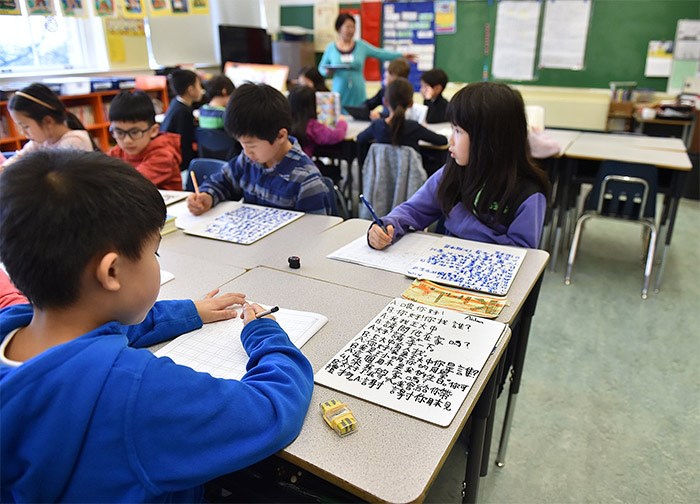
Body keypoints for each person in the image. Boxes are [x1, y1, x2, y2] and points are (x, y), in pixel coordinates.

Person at [0, 150, 314, 501]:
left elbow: (106, 331)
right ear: (112, 272)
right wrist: (266, 335)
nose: (155, 261)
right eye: (155, 253)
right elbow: (271, 411)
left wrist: (190, 311)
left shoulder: (17, 328)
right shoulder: (134, 392)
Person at [368, 82, 550, 251]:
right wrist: (388, 225)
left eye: (458, 131)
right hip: (443, 277)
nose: (451, 140)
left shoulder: (527, 196)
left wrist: (459, 217)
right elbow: (414, 210)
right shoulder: (452, 173)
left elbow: (523, 257)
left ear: (489, 140)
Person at [187, 83, 333, 216]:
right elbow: (224, 181)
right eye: (242, 144)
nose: (246, 152)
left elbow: (317, 232)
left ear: (280, 136)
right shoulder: (248, 161)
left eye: (251, 146)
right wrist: (208, 196)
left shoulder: (305, 181)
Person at [319, 13, 416, 109]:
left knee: (360, 113)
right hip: (339, 90)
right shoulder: (331, 48)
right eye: (348, 27)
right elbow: (321, 68)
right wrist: (326, 71)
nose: (351, 30)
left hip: (358, 91)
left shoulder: (361, 46)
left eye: (353, 27)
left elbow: (380, 53)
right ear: (339, 28)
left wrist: (401, 55)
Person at [356, 77, 448, 168]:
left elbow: (360, 138)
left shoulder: (377, 126)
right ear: (411, 103)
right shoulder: (414, 127)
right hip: (410, 180)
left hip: (380, 179)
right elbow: (442, 141)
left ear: (385, 102)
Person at [1, 83, 94, 169]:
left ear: (48, 121)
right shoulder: (42, 141)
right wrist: (4, 168)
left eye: (25, 126)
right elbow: (20, 157)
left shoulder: (75, 141)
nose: (23, 132)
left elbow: (59, 177)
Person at [107, 91, 183, 190]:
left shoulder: (163, 155)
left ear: (153, 130)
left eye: (135, 132)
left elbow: (131, 184)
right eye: (119, 133)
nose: (127, 141)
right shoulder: (118, 151)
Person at [288, 85, 348, 185]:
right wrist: (342, 122)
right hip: (305, 171)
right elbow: (336, 136)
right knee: (333, 170)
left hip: (287, 169)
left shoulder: (285, 123)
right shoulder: (312, 126)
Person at [160, 69, 205, 172]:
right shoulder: (183, 112)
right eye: (199, 85)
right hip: (180, 164)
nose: (202, 90)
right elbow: (185, 145)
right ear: (190, 89)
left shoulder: (176, 103)